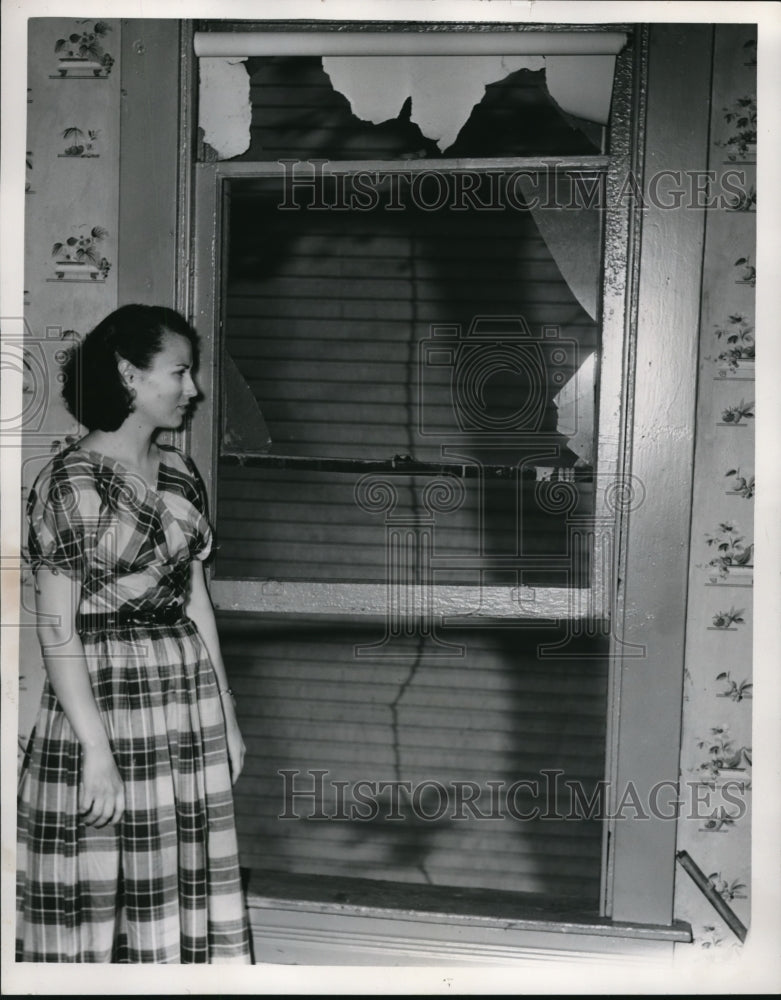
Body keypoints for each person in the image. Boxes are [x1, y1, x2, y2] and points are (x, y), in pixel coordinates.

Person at [16, 304, 252, 963]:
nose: (193, 389)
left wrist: (226, 717)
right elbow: (56, 628)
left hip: (183, 701)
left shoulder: (180, 474)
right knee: (97, 892)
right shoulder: (67, 481)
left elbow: (195, 601)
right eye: (179, 372)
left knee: (175, 883)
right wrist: (94, 749)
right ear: (128, 374)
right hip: (101, 701)